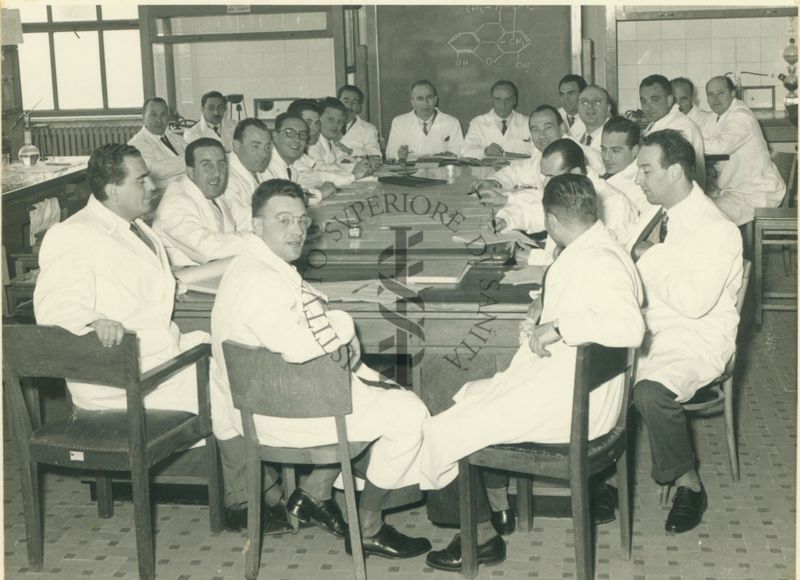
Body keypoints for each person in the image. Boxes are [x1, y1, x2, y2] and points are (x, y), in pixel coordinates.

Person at [421, 173, 645, 572]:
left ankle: (481, 537)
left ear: (553, 221)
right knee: (468, 394)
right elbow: (592, 296)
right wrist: (547, 301)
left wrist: (558, 326)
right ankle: (491, 512)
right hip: (573, 388)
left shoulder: (600, 258)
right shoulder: (594, 244)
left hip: (578, 406)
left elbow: (629, 325)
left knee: (442, 427)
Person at [211, 178, 433, 559]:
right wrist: (345, 326)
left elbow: (299, 323)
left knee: (374, 389)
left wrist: (336, 326)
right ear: (255, 224)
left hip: (257, 410)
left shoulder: (255, 265)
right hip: (281, 417)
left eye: (301, 221)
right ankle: (368, 527)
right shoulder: (260, 281)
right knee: (410, 411)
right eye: (284, 220)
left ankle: (314, 492)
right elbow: (298, 347)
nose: (297, 230)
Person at [632, 129, 743, 535]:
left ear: (675, 171)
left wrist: (649, 255)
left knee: (650, 391)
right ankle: (599, 483)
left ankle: (689, 483)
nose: (638, 180)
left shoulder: (716, 229)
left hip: (696, 337)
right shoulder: (659, 211)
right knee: (586, 370)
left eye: (646, 170)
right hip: (654, 326)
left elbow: (694, 302)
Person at [495, 138, 638, 248]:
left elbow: (599, 256)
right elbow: (536, 213)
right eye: (545, 176)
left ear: (575, 173)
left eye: (551, 176)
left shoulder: (615, 202)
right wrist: (506, 220)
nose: (546, 183)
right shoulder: (570, 190)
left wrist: (535, 258)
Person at [471, 105, 603, 206]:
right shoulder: (544, 154)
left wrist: (508, 198)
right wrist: (494, 182)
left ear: (562, 128)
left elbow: (557, 201)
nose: (542, 136)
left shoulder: (586, 156)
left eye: (548, 127)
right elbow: (515, 171)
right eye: (535, 130)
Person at [703, 75, 786, 231]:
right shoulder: (721, 116)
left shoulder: (741, 116)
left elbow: (719, 147)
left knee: (704, 214)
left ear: (733, 93)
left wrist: (689, 140)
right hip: (737, 190)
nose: (714, 98)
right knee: (697, 206)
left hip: (755, 193)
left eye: (720, 93)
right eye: (710, 94)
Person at [153, 138, 247, 267]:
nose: (217, 173)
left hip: (216, 274)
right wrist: (257, 239)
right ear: (190, 171)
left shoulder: (214, 194)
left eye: (220, 164)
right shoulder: (175, 204)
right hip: (189, 282)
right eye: (207, 165)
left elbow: (245, 218)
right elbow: (207, 249)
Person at [263, 113, 346, 205]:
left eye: (302, 134)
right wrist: (320, 194)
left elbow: (304, 185)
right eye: (290, 132)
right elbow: (281, 202)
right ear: (275, 136)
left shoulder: (290, 164)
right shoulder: (265, 164)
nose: (297, 139)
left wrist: (316, 191)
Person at [639, 74, 705, 188]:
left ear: (669, 100)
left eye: (654, 100)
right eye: (644, 101)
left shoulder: (681, 126)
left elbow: (671, 175)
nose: (647, 107)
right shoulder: (659, 122)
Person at [385, 79, 464, 161]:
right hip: (410, 172)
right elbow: (390, 154)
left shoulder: (452, 122)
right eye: (420, 99)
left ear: (435, 100)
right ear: (413, 102)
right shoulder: (399, 122)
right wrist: (400, 154)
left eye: (429, 98)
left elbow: (459, 153)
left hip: (441, 171)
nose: (425, 103)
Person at [222, 118, 273, 232]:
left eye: (267, 147)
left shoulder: (255, 170)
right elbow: (237, 218)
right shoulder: (226, 177)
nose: (264, 154)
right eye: (255, 147)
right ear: (236, 145)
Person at [461, 80, 534, 159]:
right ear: (492, 100)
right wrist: (485, 151)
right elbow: (465, 151)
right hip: (486, 171)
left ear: (515, 100)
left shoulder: (529, 123)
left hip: (520, 170)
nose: (503, 104)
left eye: (508, 99)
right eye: (498, 99)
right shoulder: (478, 122)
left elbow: (538, 152)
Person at [128, 97, 187, 192]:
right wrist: (189, 159)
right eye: (153, 115)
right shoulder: (136, 144)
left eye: (163, 114)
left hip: (186, 190)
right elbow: (154, 171)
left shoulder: (177, 139)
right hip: (161, 195)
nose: (159, 120)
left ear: (168, 117)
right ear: (143, 117)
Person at [307, 97, 372, 178]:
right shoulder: (313, 144)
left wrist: (358, 163)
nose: (336, 125)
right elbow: (320, 170)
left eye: (340, 121)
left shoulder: (329, 141)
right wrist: (352, 169)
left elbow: (342, 156)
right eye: (330, 119)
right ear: (318, 119)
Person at [601, 116, 652, 213]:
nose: (606, 157)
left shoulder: (641, 189)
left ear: (634, 151)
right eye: (603, 149)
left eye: (615, 151)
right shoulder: (606, 172)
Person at [337, 84, 382, 158]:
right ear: (338, 103)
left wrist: (350, 151)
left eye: (354, 102)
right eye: (346, 101)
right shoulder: (325, 126)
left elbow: (375, 156)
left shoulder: (369, 129)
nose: (349, 106)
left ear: (358, 107)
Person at [576, 84, 612, 152]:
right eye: (585, 102)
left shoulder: (617, 139)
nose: (590, 106)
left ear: (608, 108)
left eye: (597, 102)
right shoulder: (576, 138)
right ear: (578, 108)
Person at [557, 73, 588, 139]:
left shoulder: (592, 116)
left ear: (583, 94)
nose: (566, 99)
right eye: (562, 94)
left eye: (571, 93)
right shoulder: (555, 115)